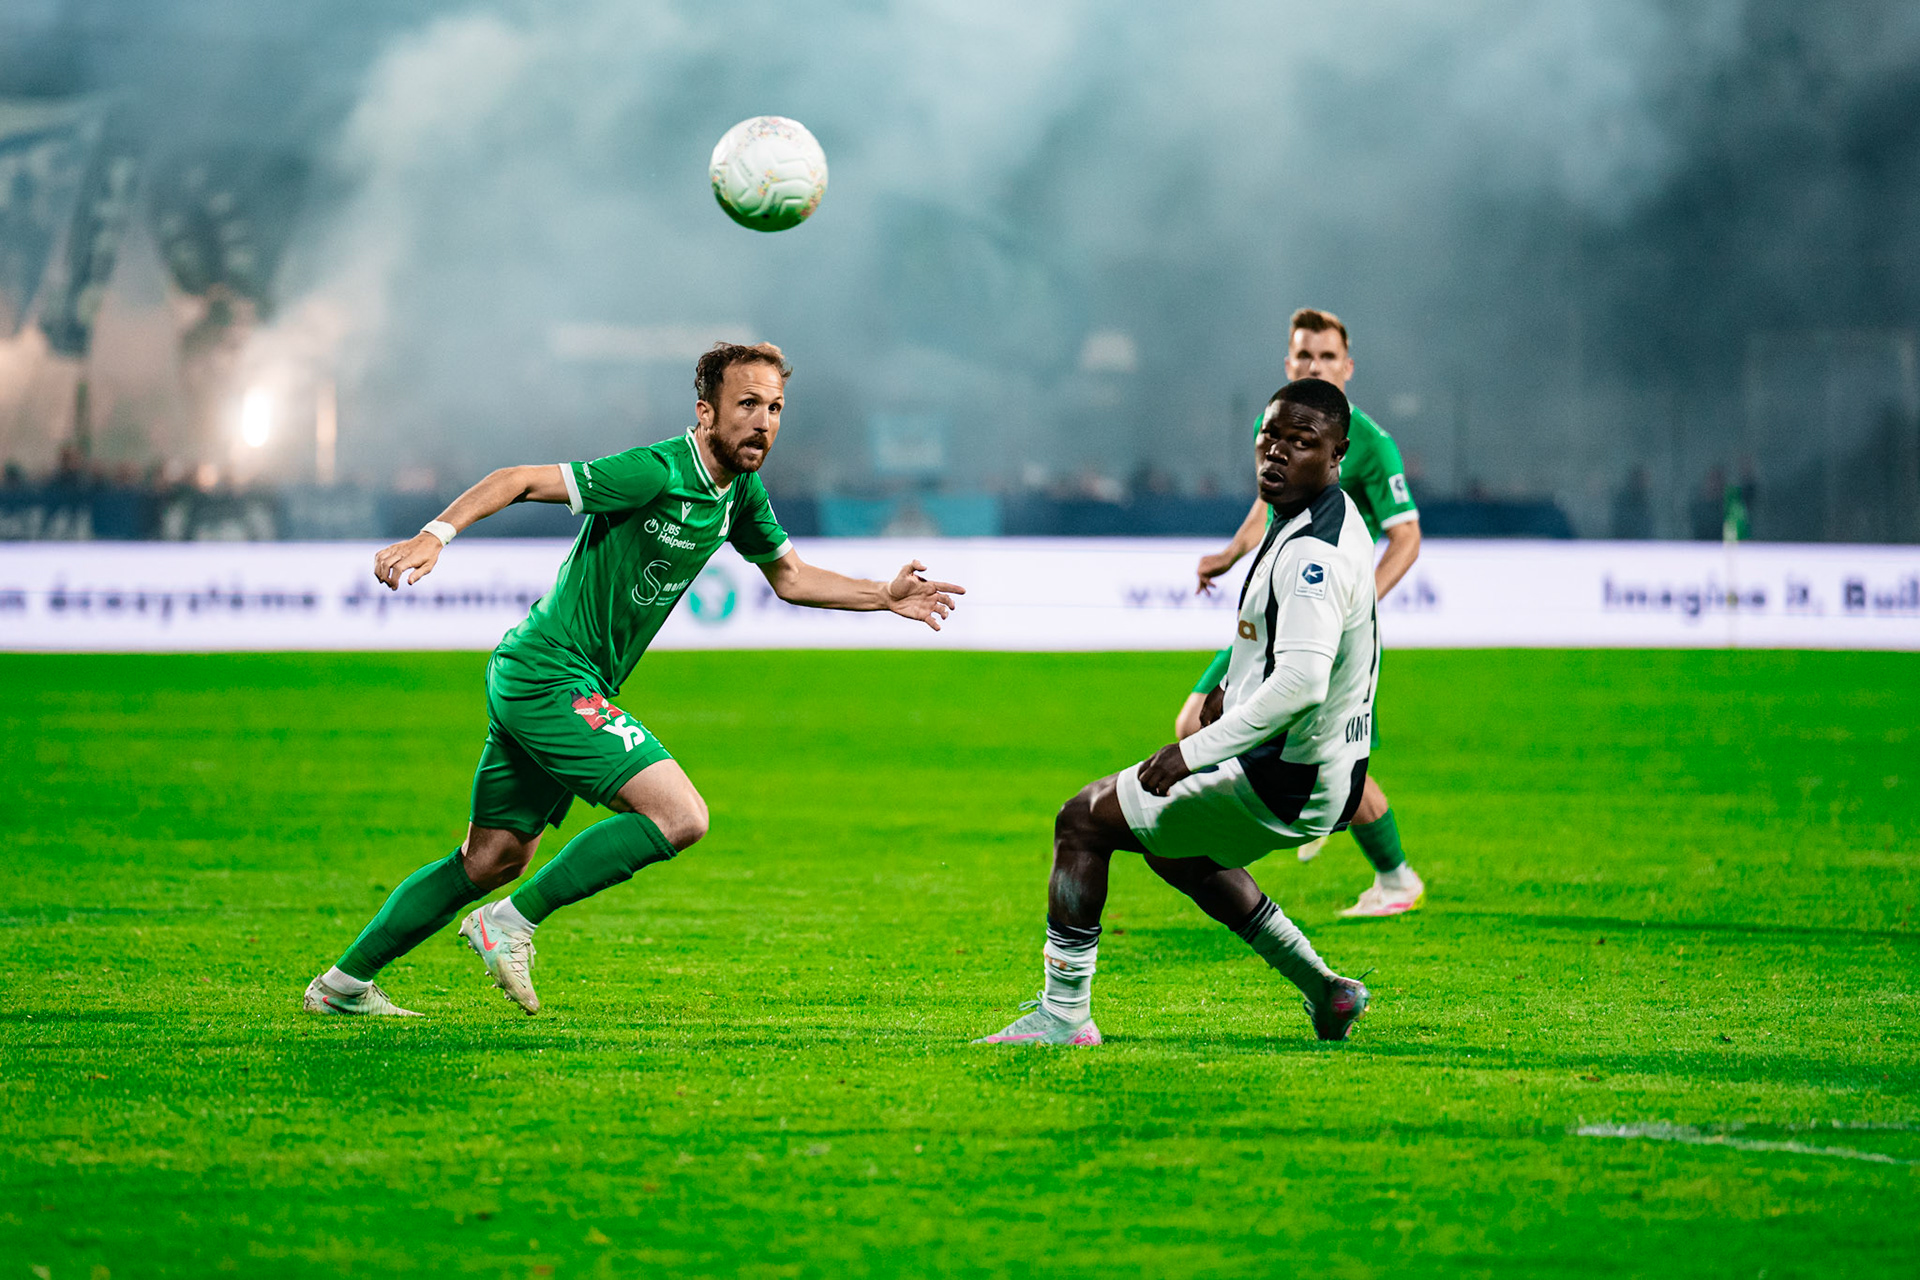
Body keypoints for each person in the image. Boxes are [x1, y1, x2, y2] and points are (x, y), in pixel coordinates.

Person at [304, 342, 963, 1017]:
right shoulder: (655, 472)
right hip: (548, 674)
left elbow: (790, 577)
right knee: (681, 816)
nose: (764, 422)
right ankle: (509, 923)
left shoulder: (738, 494)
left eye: (775, 408)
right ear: (706, 412)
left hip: (549, 676)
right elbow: (516, 479)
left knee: (492, 858)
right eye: (747, 405)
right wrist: (434, 535)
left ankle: (341, 986)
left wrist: (882, 597)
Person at [976, 379, 1375, 1047]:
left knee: (1082, 821)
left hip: (1288, 776)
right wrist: (1236, 695)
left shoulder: (1312, 555)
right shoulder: (1323, 519)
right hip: (1329, 767)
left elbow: (1304, 681)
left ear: (1337, 456)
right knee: (1174, 850)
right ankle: (1326, 992)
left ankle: (1065, 1016)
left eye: (1301, 444)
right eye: (1270, 437)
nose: (1277, 454)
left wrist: (1194, 750)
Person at [1178, 308, 1424, 918]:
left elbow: (1408, 537)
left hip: (1319, 623)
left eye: (1325, 357)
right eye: (1303, 357)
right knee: (1195, 724)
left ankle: (1389, 874)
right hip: (1270, 618)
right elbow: (1273, 508)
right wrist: (1233, 553)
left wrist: (1356, 608)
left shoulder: (1369, 442)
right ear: (1289, 363)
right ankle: (1281, 830)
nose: (1314, 365)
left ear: (1347, 366)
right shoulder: (1288, 427)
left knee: (1320, 755)